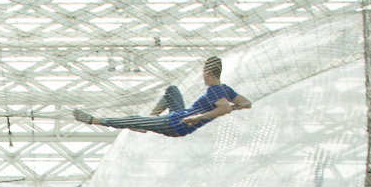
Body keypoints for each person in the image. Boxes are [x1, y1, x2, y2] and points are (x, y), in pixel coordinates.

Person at [72, 56, 252, 136]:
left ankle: (95, 120)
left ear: (207, 74)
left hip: (177, 124)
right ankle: (149, 120)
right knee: (172, 90)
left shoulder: (214, 90)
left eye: (203, 73)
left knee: (134, 119)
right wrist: (233, 107)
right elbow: (246, 103)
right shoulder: (225, 89)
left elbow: (224, 108)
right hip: (180, 115)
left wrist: (198, 117)